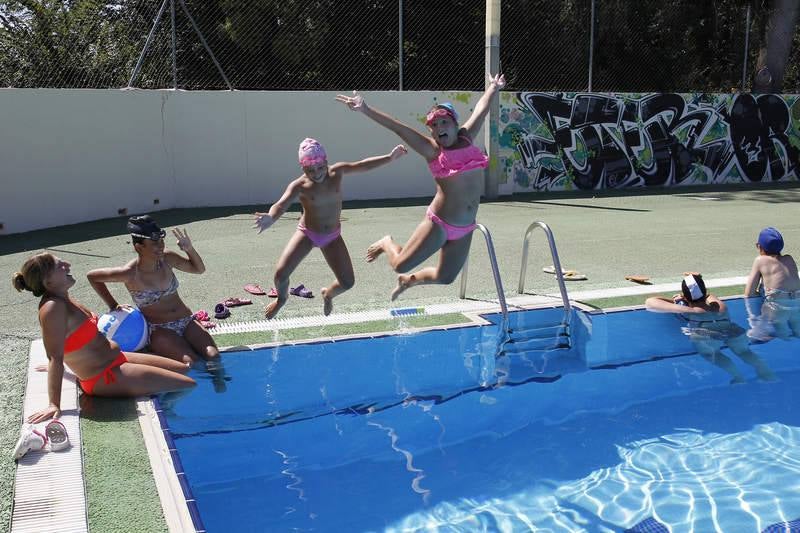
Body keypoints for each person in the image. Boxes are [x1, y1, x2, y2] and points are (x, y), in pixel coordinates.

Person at [336, 73, 506, 300]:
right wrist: (365, 109)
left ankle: (408, 282)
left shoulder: (466, 138)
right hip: (440, 223)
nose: (439, 128)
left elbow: (481, 110)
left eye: (444, 122)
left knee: (446, 277)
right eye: (434, 126)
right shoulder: (433, 150)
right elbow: (398, 128)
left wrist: (493, 88)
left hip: (465, 226)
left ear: (455, 124)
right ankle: (387, 242)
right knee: (399, 264)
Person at [13, 253, 195, 423]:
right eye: (60, 265)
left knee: (185, 369)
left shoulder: (65, 298)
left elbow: (74, 341)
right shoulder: (52, 308)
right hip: (103, 376)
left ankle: (160, 396)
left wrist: (113, 304)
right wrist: (54, 404)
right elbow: (55, 356)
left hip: (118, 359)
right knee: (188, 385)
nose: (67, 265)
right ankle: (171, 414)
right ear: (48, 281)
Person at [253, 138, 407, 318]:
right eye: (310, 170)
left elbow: (362, 165)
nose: (316, 173)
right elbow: (281, 205)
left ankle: (328, 294)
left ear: (326, 162)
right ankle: (281, 299)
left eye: (320, 168)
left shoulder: (337, 172)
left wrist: (389, 157)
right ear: (303, 168)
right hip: (307, 234)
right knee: (280, 275)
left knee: (348, 282)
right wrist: (271, 217)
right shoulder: (299, 186)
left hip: (332, 237)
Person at [87, 215, 219, 363]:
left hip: (186, 320)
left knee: (213, 356)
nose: (161, 246)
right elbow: (92, 276)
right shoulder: (129, 273)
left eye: (161, 241)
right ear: (139, 247)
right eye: (154, 243)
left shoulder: (167, 258)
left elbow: (199, 269)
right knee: (191, 362)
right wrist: (112, 304)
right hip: (160, 330)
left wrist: (189, 249)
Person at [646, 273, 774, 383]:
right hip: (733, 331)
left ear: (685, 297)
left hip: (708, 335)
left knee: (713, 355)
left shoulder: (689, 311)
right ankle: (767, 373)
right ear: (705, 291)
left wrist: (676, 300)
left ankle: (738, 377)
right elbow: (709, 296)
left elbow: (651, 302)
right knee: (745, 352)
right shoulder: (720, 306)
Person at [744, 227, 800, 338]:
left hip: (777, 308)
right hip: (797, 305)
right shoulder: (789, 258)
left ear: (759, 246)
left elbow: (748, 293)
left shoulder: (760, 260)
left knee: (782, 335)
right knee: (797, 333)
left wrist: (761, 294)